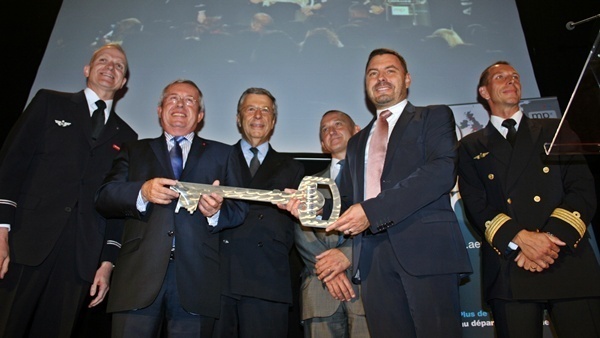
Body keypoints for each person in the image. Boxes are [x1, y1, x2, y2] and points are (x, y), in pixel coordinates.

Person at [285, 48, 473, 337]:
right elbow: (345, 199)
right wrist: (310, 208)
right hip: (372, 262)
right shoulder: (359, 140)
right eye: (373, 73)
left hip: (426, 252)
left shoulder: (433, 116)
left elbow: (441, 171)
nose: (380, 78)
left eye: (390, 71)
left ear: (407, 79)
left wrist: (372, 211)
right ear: (366, 84)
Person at [0, 43, 138, 338]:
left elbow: (115, 204)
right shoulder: (49, 102)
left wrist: (107, 261)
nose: (110, 67)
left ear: (123, 82)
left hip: (80, 257)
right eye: (103, 60)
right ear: (88, 70)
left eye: (118, 66)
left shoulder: (127, 137)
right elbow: (12, 165)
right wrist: (1, 228)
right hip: (25, 241)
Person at [94, 79, 248, 337]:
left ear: (200, 115)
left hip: (197, 279)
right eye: (173, 98)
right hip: (137, 275)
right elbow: (104, 196)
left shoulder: (224, 154)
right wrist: (142, 191)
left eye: (190, 101)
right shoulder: (134, 149)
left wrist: (215, 212)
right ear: (159, 109)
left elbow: (240, 209)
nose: (180, 105)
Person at [457, 61, 600, 337]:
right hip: (511, 265)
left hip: (567, 257)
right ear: (484, 92)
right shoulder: (470, 145)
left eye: (515, 77)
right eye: (500, 77)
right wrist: (521, 239)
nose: (511, 81)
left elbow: (582, 189)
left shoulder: (555, 130)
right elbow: (476, 204)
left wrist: (548, 241)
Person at [214, 87, 305, 338]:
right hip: (220, 276)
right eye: (250, 108)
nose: (258, 115)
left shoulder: (293, 167)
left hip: (268, 279)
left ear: (273, 121)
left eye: (265, 110)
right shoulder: (217, 158)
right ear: (238, 118)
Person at [294, 109, 369, 337]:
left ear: (357, 131)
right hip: (319, 287)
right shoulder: (308, 183)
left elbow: (381, 220)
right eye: (325, 129)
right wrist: (329, 271)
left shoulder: (377, 176)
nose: (331, 131)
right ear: (323, 144)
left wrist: (347, 255)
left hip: (366, 285)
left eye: (338, 124)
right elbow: (301, 231)